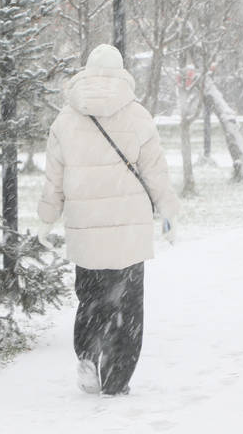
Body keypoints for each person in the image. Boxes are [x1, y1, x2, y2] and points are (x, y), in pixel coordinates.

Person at [37, 43, 179, 396]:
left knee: (91, 297)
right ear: (120, 73)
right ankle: (117, 379)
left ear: (86, 71)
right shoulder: (137, 116)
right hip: (128, 229)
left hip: (85, 228)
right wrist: (169, 213)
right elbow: (155, 172)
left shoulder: (65, 120)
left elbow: (53, 178)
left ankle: (87, 354)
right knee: (128, 306)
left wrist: (46, 219)